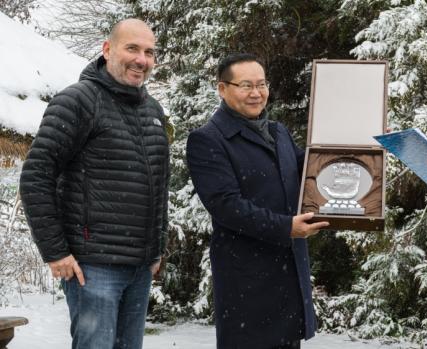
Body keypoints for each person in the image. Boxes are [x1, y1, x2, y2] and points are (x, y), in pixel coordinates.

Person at [19, 19, 169, 349]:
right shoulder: (78, 101)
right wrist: (56, 252)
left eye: (149, 52)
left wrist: (157, 246)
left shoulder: (153, 110)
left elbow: (159, 185)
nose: (141, 59)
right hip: (93, 267)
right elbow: (36, 176)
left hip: (139, 268)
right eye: (132, 48)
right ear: (107, 49)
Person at [186, 53, 329, 349]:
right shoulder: (208, 140)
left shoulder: (278, 132)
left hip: (289, 277)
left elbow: (312, 173)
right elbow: (226, 206)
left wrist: (354, 151)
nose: (256, 93)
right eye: (246, 85)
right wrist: (285, 227)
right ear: (222, 89)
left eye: (262, 84)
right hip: (247, 283)